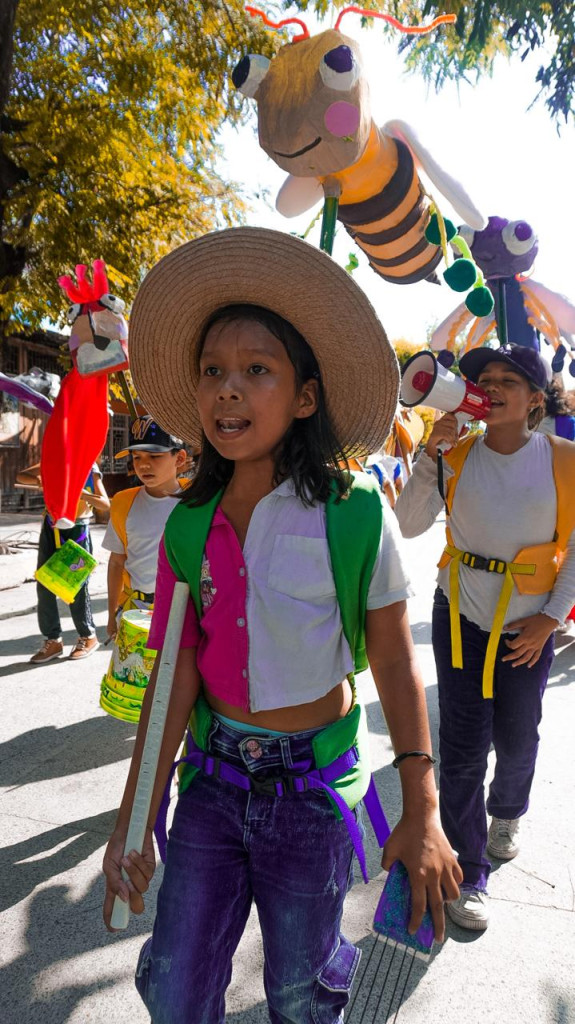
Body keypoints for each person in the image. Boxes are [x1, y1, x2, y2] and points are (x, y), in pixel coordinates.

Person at [101, 227, 461, 1024]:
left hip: (312, 791)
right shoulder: (188, 524)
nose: (227, 390)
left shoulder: (352, 510)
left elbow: (393, 659)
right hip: (211, 780)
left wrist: (422, 807)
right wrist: (135, 816)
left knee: (301, 995)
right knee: (173, 987)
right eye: (212, 371)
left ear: (304, 397)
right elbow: (173, 673)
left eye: (256, 370)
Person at [395, 344, 575, 932]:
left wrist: (551, 618)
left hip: (529, 625)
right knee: (464, 747)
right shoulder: (455, 454)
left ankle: (508, 811)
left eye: (508, 380)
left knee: (519, 739)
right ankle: (468, 871)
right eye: (484, 379)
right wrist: (431, 454)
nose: (491, 387)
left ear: (535, 399)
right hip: (460, 617)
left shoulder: (564, 460)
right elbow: (409, 524)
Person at [103, 415, 188, 636]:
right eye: (137, 457)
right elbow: (116, 562)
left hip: (184, 613)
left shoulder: (198, 501)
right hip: (136, 611)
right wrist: (112, 615)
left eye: (155, 456)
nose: (144, 465)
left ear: (179, 458)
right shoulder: (123, 503)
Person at [22, 461, 109, 663]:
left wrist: (80, 493)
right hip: (51, 527)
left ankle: (88, 636)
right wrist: (40, 479)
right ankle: (53, 640)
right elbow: (22, 477)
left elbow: (105, 504)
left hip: (76, 529)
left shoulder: (88, 465)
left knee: (75, 586)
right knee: (44, 582)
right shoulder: (52, 460)